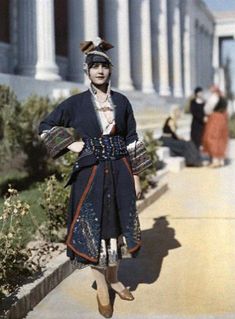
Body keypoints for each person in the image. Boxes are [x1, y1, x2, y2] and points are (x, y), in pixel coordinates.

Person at [38, 37, 151, 318]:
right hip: (90, 174)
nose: (99, 71)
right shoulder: (75, 104)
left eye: (104, 66)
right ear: (87, 71)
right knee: (95, 231)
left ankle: (114, 278)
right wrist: (71, 144)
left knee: (116, 229)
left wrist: (136, 176)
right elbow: (45, 125)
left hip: (121, 172)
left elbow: (132, 138)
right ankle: (102, 286)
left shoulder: (122, 102)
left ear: (110, 70)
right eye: (94, 66)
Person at [202, 85, 229, 168]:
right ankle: (221, 160)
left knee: (213, 138)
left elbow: (207, 109)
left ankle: (215, 160)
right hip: (223, 119)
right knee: (221, 139)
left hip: (215, 119)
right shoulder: (223, 98)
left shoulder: (214, 97)